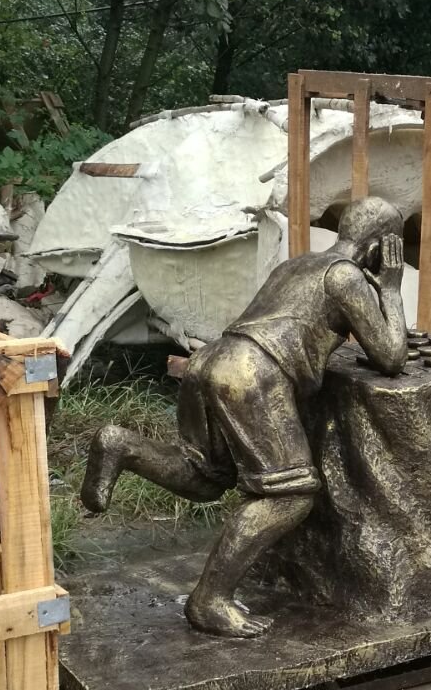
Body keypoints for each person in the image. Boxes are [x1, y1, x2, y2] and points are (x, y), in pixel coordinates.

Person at [80, 199, 408, 637]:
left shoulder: (297, 264)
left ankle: (123, 445)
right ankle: (210, 599)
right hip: (252, 374)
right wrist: (390, 290)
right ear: (380, 249)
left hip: (211, 360)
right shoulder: (345, 276)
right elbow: (390, 356)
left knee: (205, 477)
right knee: (291, 495)